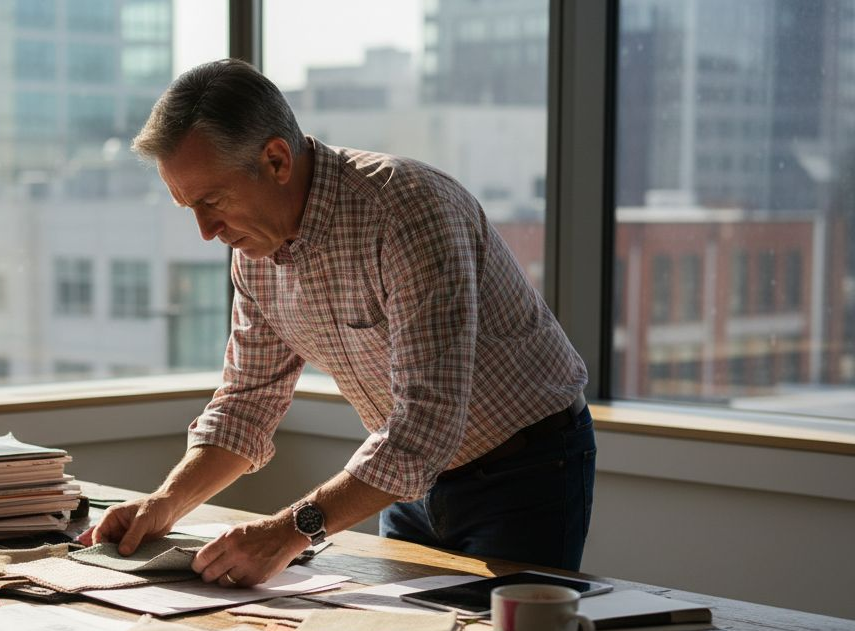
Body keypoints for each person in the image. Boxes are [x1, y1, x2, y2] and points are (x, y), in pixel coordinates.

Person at [81, 58, 595, 586]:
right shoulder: (255, 252)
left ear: (277, 160)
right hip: (404, 481)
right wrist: (165, 503)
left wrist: (286, 532)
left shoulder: (407, 212)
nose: (206, 231)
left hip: (525, 470)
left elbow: (427, 422)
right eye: (189, 206)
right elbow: (246, 404)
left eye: (213, 201)